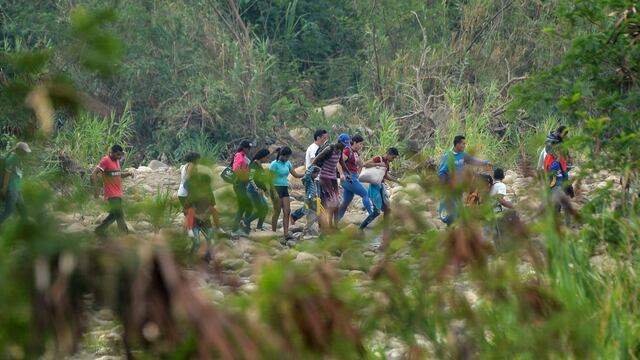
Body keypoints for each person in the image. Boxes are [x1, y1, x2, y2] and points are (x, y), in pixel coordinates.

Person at [437, 135, 491, 226]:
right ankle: (450, 225)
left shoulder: (462, 155)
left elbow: (472, 160)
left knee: (458, 207)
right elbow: (441, 172)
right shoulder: (448, 157)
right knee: (449, 206)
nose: (464, 145)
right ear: (457, 144)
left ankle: (454, 227)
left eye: (465, 144)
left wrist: (485, 162)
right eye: (463, 144)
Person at [92, 145, 133, 235]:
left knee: (114, 214)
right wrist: (95, 190)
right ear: (112, 152)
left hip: (118, 193)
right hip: (111, 193)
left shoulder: (117, 161)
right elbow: (94, 173)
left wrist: (128, 174)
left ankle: (100, 230)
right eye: (117, 155)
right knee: (119, 214)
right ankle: (125, 233)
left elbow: (118, 174)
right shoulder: (106, 160)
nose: (119, 157)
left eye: (120, 155)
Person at [312, 138, 351, 230]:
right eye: (343, 144)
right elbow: (316, 159)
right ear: (339, 142)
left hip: (333, 177)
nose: (344, 146)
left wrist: (348, 173)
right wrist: (311, 171)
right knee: (330, 202)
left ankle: (335, 225)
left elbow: (341, 161)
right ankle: (327, 225)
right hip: (324, 177)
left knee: (336, 202)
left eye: (345, 145)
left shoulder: (339, 150)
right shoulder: (330, 149)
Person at [359, 147, 401, 231]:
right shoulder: (378, 158)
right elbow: (365, 164)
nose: (393, 159)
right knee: (376, 212)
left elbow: (386, 176)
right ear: (388, 154)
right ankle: (360, 228)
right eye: (393, 157)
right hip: (374, 188)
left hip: (381, 187)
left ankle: (385, 230)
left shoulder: (387, 163)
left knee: (387, 209)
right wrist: (378, 164)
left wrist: (399, 181)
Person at [338, 134, 375, 224]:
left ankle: (334, 222)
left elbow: (363, 164)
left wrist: (376, 163)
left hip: (353, 177)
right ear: (354, 143)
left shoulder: (355, 153)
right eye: (360, 144)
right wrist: (342, 174)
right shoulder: (347, 150)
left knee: (346, 202)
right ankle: (372, 216)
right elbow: (338, 162)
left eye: (362, 144)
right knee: (365, 193)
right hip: (348, 177)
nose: (361, 146)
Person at [269, 147, 303, 239]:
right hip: (276, 188)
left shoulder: (288, 163)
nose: (288, 159)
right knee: (277, 211)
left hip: (284, 188)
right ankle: (273, 232)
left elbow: (295, 174)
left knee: (287, 211)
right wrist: (274, 192)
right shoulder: (274, 164)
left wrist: (306, 173)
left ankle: (286, 233)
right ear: (282, 155)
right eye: (287, 157)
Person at [186, 172, 217, 262]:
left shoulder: (209, 192)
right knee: (197, 243)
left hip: (206, 220)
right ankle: (190, 261)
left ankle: (207, 258)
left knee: (211, 239)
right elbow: (186, 209)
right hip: (194, 221)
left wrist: (207, 214)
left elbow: (212, 206)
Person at [0, 142, 31, 225]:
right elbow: (7, 174)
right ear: (19, 150)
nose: (26, 153)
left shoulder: (18, 158)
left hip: (17, 189)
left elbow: (17, 174)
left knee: (22, 209)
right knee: (8, 211)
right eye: (24, 151)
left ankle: (26, 227)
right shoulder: (12, 158)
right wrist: (4, 188)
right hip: (11, 189)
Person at [246, 149, 272, 231]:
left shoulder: (259, 164)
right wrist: (257, 189)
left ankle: (259, 227)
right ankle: (245, 222)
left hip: (259, 190)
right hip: (253, 190)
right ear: (262, 157)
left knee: (265, 208)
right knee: (261, 209)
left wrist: (265, 190)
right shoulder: (253, 165)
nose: (267, 159)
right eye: (267, 157)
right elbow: (250, 178)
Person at [231, 140, 253, 237]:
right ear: (244, 148)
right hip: (239, 184)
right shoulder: (239, 155)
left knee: (244, 206)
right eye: (248, 148)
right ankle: (238, 229)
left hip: (242, 184)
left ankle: (242, 227)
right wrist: (244, 177)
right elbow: (236, 169)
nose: (249, 150)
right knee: (245, 206)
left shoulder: (243, 157)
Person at [291, 165, 321, 232]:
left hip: (314, 201)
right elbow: (306, 175)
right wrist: (311, 167)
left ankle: (309, 229)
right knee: (306, 212)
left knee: (315, 214)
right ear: (312, 173)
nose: (317, 175)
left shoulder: (314, 181)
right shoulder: (308, 180)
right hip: (308, 201)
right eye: (316, 173)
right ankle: (304, 229)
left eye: (318, 174)